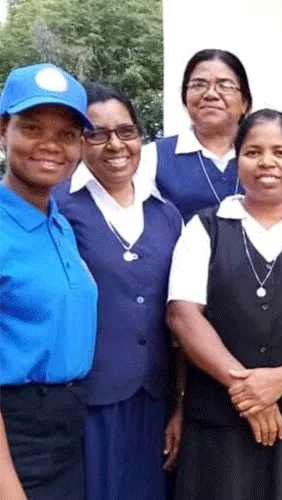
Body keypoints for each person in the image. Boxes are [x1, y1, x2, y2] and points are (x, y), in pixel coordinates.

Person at [167, 108, 282, 500]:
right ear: (237, 162)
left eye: (281, 153)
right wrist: (247, 390)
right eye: (253, 152)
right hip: (217, 422)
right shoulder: (205, 227)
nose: (266, 162)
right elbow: (183, 315)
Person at [52, 82, 184, 500]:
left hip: (154, 397)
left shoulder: (166, 214)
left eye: (126, 132)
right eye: (97, 133)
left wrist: (180, 402)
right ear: (80, 140)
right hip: (87, 399)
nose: (115, 145)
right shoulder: (57, 207)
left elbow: (178, 319)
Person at [0, 63, 98, 500]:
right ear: (4, 130)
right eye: (33, 127)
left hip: (65, 430)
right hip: (16, 436)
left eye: (66, 134)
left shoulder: (58, 224)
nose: (50, 146)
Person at [138, 49, 252, 221]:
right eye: (198, 85)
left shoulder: (263, 156)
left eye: (225, 86)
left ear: (244, 103)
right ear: (185, 99)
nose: (211, 94)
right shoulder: (151, 158)